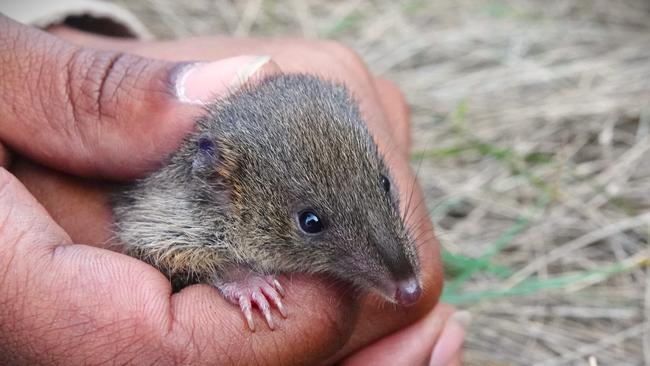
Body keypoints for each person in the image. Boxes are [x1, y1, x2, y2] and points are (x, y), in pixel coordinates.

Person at [0, 4, 466, 365]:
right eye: (311, 222)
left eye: (382, 186)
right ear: (224, 185)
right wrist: (230, 273)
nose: (407, 286)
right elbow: (145, 235)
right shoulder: (212, 181)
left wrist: (52, 23)